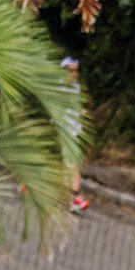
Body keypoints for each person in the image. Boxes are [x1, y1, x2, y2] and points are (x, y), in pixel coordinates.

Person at [60, 57, 89, 213]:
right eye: (70, 70)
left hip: (74, 131)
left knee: (72, 165)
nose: (74, 74)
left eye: (76, 71)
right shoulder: (57, 87)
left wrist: (81, 113)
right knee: (71, 165)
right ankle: (75, 199)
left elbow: (75, 108)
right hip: (62, 131)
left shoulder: (76, 87)